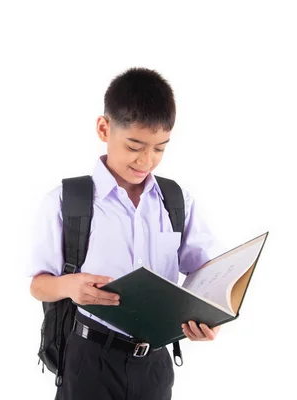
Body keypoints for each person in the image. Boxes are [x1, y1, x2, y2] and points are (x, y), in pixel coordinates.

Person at [27, 67, 225, 400]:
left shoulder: (176, 201)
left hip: (155, 363)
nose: (147, 160)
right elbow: (38, 285)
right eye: (134, 146)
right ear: (104, 128)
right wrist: (68, 286)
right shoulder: (66, 201)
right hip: (88, 360)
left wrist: (209, 316)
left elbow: (206, 272)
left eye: (160, 148)